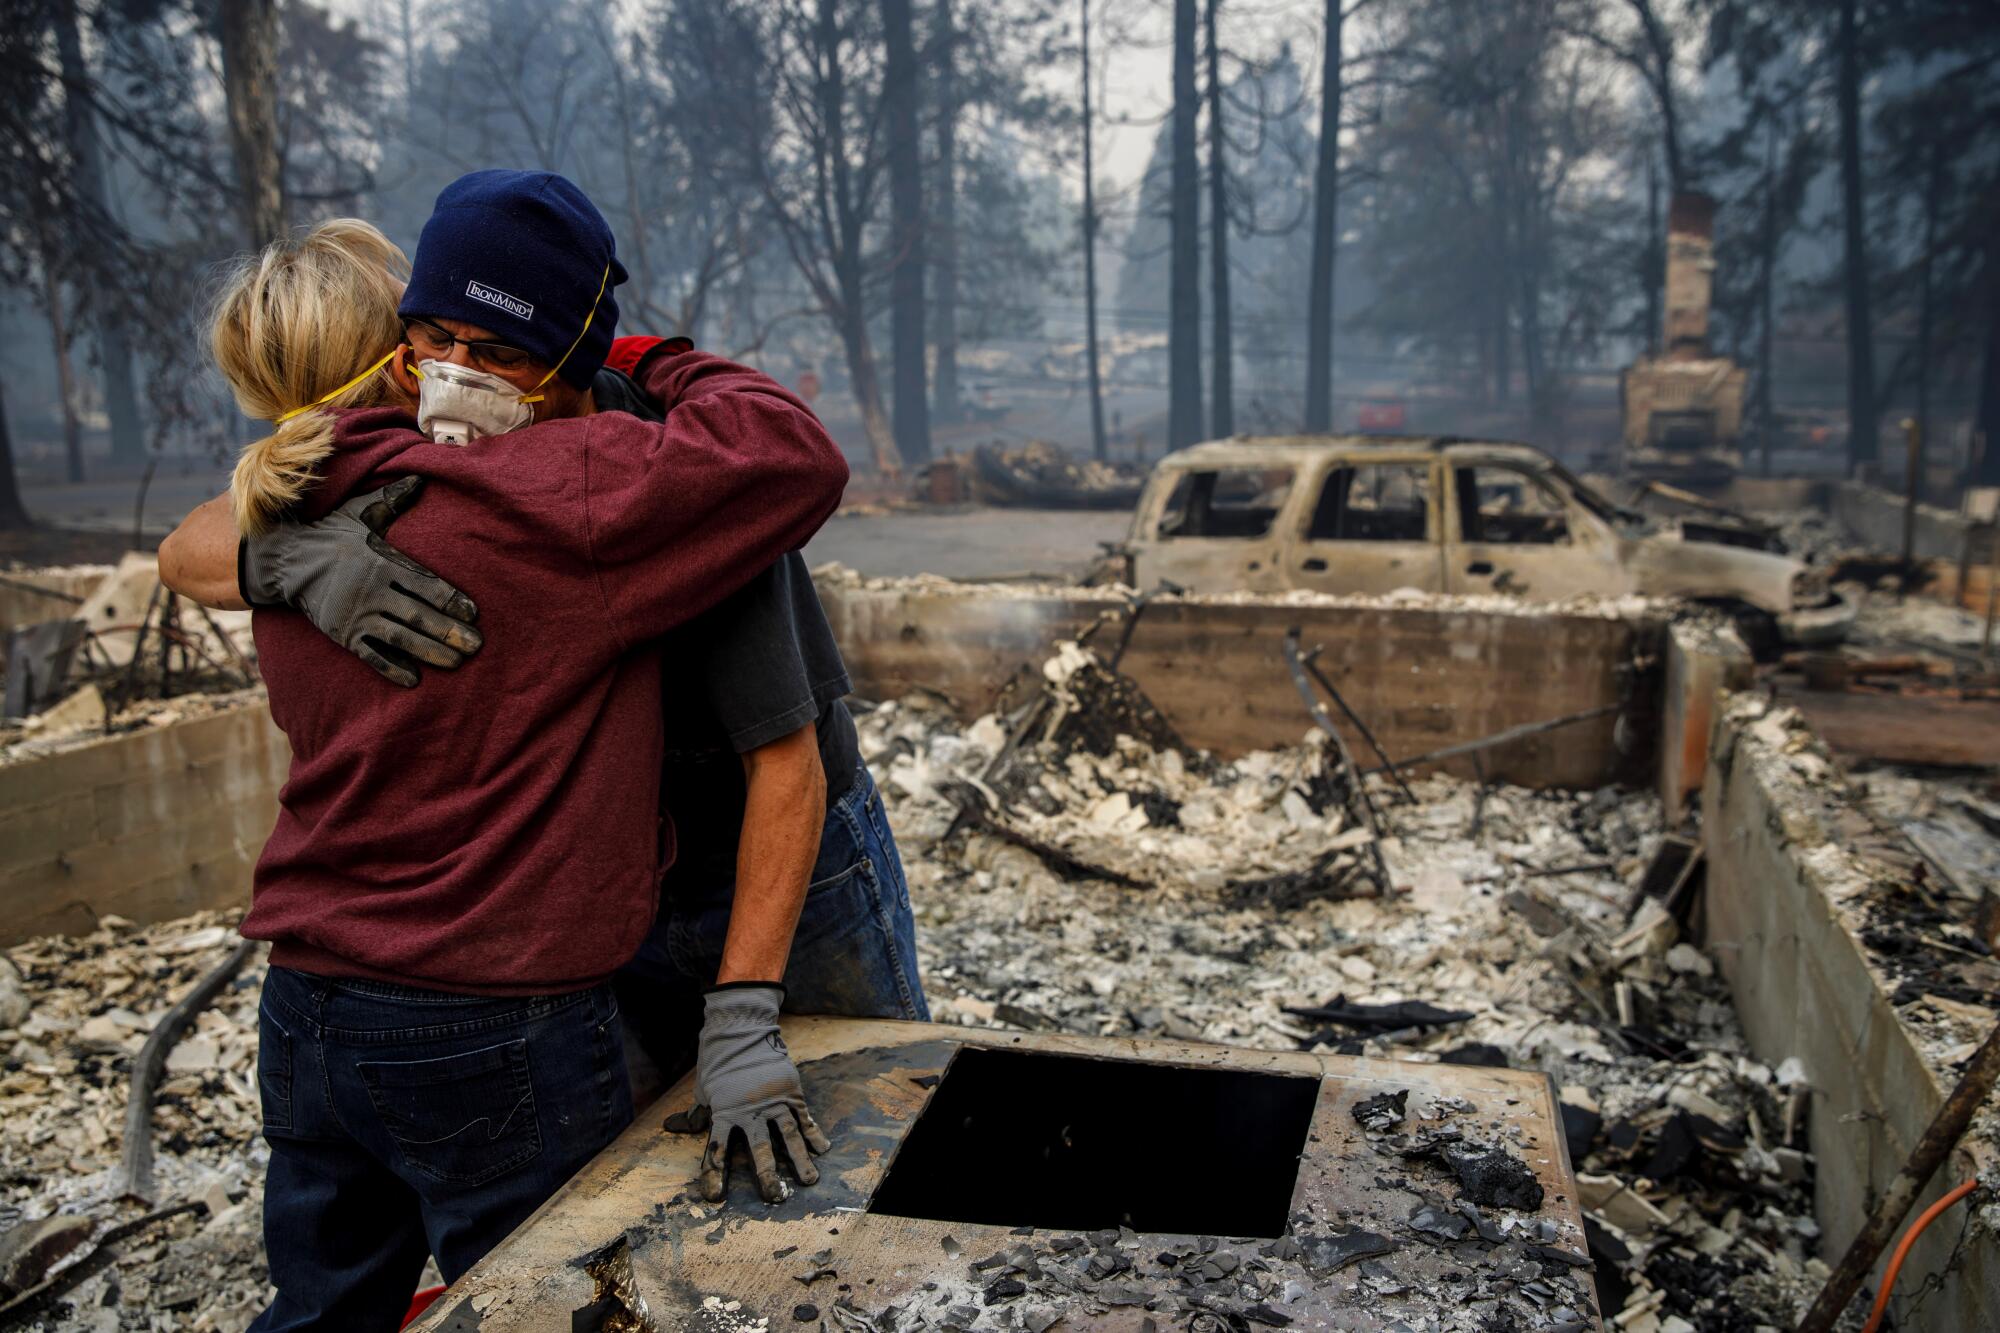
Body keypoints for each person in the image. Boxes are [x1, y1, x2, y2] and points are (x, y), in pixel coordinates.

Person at [162, 173, 929, 1214]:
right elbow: (195, 539)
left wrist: (743, 1009)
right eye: (430, 339)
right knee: (673, 1196)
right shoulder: (416, 460)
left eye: (495, 353)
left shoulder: (673, 483)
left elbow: (783, 764)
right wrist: (284, 559)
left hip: (774, 865)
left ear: (568, 359)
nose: (453, 378)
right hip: (604, 887)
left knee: (864, 1149)